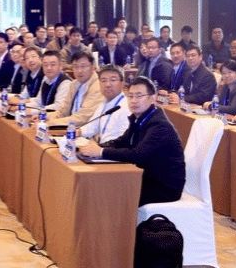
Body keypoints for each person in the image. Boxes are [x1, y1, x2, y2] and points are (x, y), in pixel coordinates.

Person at [79, 77, 186, 207]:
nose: (134, 100)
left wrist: (101, 152)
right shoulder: (139, 118)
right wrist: (95, 148)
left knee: (109, 191)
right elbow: (120, 142)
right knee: (102, 184)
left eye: (139, 96)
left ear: (153, 98)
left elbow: (137, 155)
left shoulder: (159, 125)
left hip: (163, 187)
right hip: (145, 177)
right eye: (130, 96)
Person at [47, 52, 104, 126]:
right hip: (70, 126)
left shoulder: (98, 87)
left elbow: (83, 117)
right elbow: (63, 112)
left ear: (93, 67)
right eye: (75, 67)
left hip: (85, 129)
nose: (79, 71)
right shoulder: (74, 84)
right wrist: (44, 117)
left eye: (83, 66)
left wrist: (53, 123)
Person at [79, 65, 130, 144]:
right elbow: (92, 126)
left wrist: (100, 149)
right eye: (103, 81)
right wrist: (78, 132)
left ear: (122, 83)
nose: (107, 85)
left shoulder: (127, 107)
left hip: (113, 149)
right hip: (102, 147)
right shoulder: (104, 103)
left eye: (113, 80)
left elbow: (123, 140)